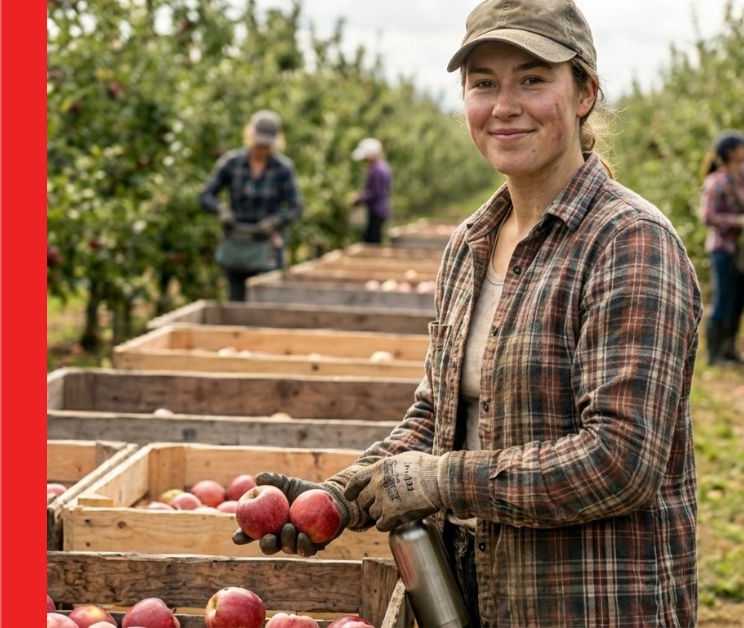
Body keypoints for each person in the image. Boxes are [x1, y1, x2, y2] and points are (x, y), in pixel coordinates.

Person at [232, 1, 701, 625]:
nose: (503, 105)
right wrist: (343, 492)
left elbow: (619, 462)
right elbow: (437, 415)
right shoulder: (470, 245)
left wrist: (439, 481)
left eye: (532, 79)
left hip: (590, 603)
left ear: (585, 92)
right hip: (474, 596)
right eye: (483, 83)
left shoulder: (631, 243)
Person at [201, 110, 303, 301]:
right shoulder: (231, 163)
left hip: (265, 245)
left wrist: (275, 221)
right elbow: (206, 196)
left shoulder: (283, 169)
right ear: (249, 136)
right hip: (237, 242)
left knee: (265, 303)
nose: (261, 148)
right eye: (258, 143)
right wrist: (221, 210)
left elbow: (296, 207)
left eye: (266, 145)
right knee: (237, 301)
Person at [700, 130, 744, 365]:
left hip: (739, 251)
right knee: (722, 298)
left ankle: (729, 350)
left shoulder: (740, 177)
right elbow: (707, 217)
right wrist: (736, 221)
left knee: (737, 300)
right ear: (730, 152)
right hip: (722, 249)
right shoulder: (716, 181)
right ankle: (714, 355)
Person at [350, 138, 392, 244]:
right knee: (373, 239)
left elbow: (375, 193)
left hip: (377, 211)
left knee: (372, 241)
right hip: (380, 210)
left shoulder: (377, 170)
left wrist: (359, 198)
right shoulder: (381, 168)